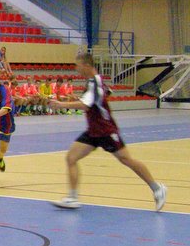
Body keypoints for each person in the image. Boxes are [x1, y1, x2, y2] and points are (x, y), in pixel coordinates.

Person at [49, 52, 167, 211]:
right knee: (71, 158)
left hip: (106, 130)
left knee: (126, 159)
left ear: (86, 65)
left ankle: (157, 188)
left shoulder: (95, 83)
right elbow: (99, 97)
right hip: (93, 130)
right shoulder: (94, 82)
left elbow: (85, 105)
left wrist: (60, 105)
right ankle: (72, 198)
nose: (76, 69)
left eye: (78, 65)